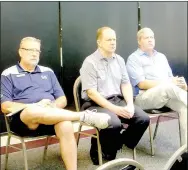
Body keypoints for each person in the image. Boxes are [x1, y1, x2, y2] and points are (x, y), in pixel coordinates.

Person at [1, 37, 111, 170]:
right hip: (24, 121)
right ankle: (84, 116)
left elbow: (62, 99)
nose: (35, 53)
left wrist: (51, 107)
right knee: (32, 110)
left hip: (51, 117)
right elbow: (5, 106)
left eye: (37, 50)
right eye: (30, 50)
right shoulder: (8, 74)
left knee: (65, 125)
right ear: (20, 52)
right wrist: (34, 106)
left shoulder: (47, 72)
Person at [80, 27, 150, 167]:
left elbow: (125, 84)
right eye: (108, 39)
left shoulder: (119, 60)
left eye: (114, 39)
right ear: (99, 42)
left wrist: (129, 104)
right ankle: (108, 157)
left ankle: (115, 142)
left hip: (117, 100)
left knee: (143, 119)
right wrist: (115, 110)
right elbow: (92, 93)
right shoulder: (90, 62)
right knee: (114, 123)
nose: (113, 42)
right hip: (95, 103)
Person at [126, 27, 187, 146]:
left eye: (152, 37)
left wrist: (182, 85)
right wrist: (169, 82)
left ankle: (186, 149)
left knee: (185, 108)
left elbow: (172, 80)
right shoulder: (134, 59)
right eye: (147, 37)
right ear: (139, 41)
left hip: (165, 96)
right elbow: (141, 84)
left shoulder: (161, 57)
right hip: (144, 98)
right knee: (167, 87)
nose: (150, 40)